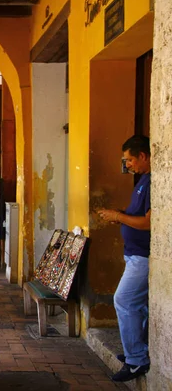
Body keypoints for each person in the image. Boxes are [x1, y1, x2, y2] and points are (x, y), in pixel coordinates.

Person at [97, 135, 151, 382]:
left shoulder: (152, 183)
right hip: (134, 254)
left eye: (129, 159)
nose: (127, 164)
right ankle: (137, 351)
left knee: (124, 301)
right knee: (138, 306)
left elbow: (149, 222)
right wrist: (119, 213)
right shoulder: (143, 181)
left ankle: (136, 361)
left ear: (143, 156)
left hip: (143, 256)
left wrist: (118, 217)